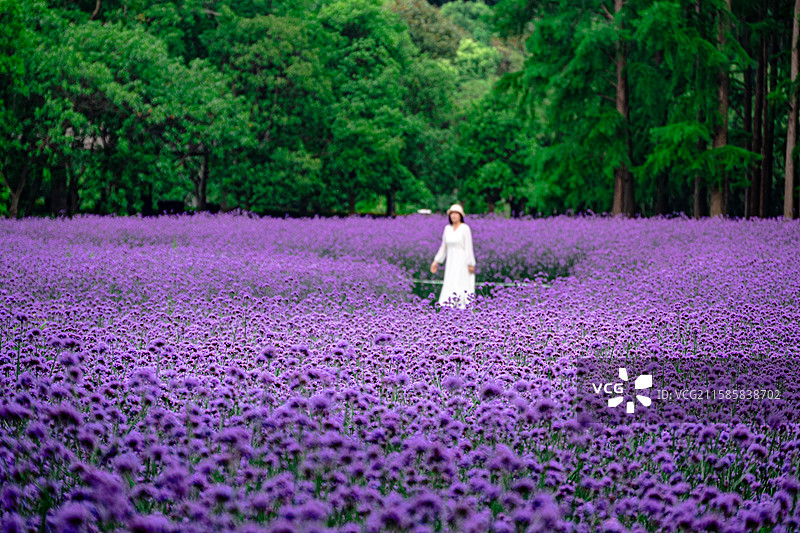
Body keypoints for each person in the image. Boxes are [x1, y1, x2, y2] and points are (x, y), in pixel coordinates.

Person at [430, 203, 476, 309]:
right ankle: (448, 307)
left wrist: (470, 263)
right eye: (452, 213)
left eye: (456, 213)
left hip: (462, 262)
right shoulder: (447, 229)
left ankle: (463, 307)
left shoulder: (465, 228)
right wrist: (436, 261)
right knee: (450, 282)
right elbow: (444, 247)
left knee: (462, 283)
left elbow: (468, 247)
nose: (454, 216)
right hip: (451, 262)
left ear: (460, 215)